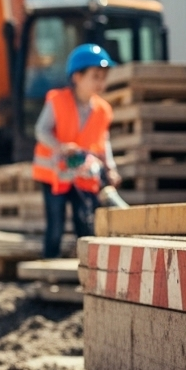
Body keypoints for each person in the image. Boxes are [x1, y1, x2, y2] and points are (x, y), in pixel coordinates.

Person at [32, 44, 119, 258]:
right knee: (55, 226)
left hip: (82, 175)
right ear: (77, 77)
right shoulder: (57, 101)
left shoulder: (102, 110)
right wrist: (60, 147)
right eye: (95, 76)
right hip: (55, 175)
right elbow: (41, 130)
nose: (101, 82)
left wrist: (111, 167)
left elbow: (103, 140)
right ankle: (49, 272)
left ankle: (88, 270)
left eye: (103, 77)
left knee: (85, 223)